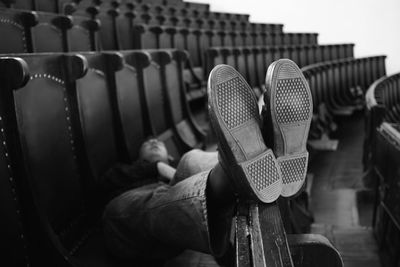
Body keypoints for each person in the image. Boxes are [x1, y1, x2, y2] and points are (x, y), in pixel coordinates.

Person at [102, 59, 313, 265]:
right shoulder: (125, 172)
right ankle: (249, 161)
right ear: (139, 155)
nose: (154, 142)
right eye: (148, 143)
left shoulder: (177, 166)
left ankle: (253, 159)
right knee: (168, 190)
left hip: (178, 201)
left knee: (192, 160)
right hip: (125, 224)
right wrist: (155, 166)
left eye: (157, 141)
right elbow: (106, 186)